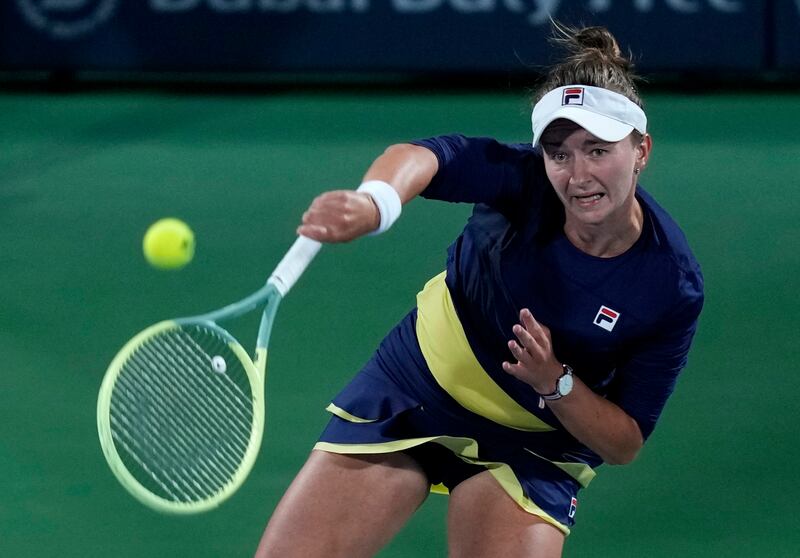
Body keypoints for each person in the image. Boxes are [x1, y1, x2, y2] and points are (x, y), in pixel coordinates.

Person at [255, 23, 703, 558]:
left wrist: (555, 383)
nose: (578, 174)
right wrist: (375, 204)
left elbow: (625, 439)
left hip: (539, 442)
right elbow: (429, 157)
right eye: (559, 153)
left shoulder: (669, 283)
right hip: (417, 385)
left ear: (641, 150)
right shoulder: (521, 180)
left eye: (598, 150)